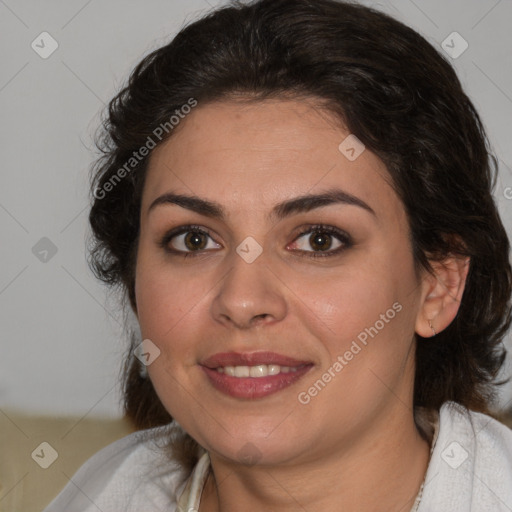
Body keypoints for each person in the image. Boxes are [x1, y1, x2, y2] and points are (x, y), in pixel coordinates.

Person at [43, 0, 512, 510]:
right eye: (193, 239)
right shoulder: (105, 494)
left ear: (439, 284)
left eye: (318, 240)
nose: (243, 301)